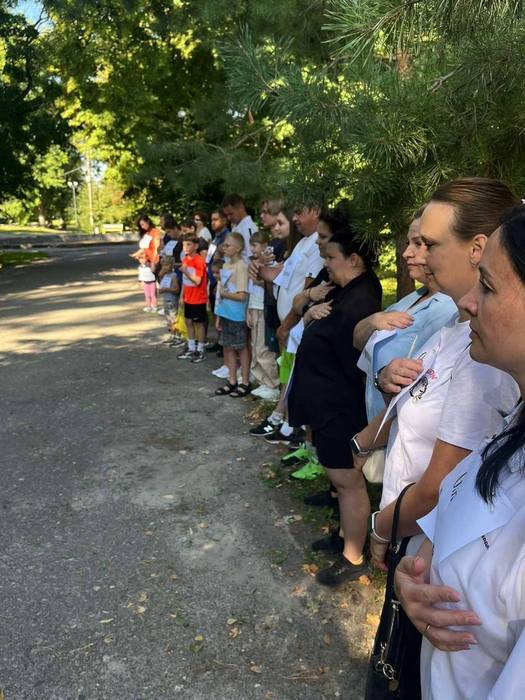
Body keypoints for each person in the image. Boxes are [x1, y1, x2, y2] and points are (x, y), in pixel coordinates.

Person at [351, 178, 519, 578]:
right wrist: (380, 397)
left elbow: (441, 485)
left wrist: (380, 528)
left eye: (429, 244)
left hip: (423, 547)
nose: (415, 255)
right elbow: (416, 397)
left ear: (477, 248)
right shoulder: (455, 328)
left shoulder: (485, 353)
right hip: (412, 534)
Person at [395, 206, 525, 699]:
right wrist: (420, 570)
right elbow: (467, 501)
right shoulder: (514, 423)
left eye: (487, 286)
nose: (469, 302)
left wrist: (381, 531)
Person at [287, 229, 383, 584]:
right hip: (327, 405)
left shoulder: (361, 299)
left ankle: (353, 557)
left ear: (354, 259)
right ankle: (345, 536)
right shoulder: (344, 289)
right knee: (341, 482)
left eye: (331, 257)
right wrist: (310, 312)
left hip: (341, 409)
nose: (325, 264)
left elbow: (354, 365)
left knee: (348, 482)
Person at [214, 233, 251, 397]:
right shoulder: (226, 265)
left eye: (228, 245)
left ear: (238, 248)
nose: (224, 247)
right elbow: (221, 292)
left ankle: (245, 382)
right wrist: (218, 314)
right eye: (224, 245)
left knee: (241, 348)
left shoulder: (242, 267)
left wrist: (225, 294)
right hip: (225, 312)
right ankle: (232, 380)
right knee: (228, 347)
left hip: (237, 314)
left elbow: (242, 295)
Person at [247, 230, 280, 401]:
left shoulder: (270, 262)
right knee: (255, 346)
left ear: (265, 246)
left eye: (255, 245)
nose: (252, 249)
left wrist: (259, 275)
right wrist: (248, 310)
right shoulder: (253, 263)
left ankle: (272, 384)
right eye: (251, 245)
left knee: (263, 348)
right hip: (254, 307)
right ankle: (261, 379)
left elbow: (267, 281)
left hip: (263, 308)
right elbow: (250, 288)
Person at [178, 234, 208, 363]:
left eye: (188, 244)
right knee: (188, 322)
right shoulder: (185, 259)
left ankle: (200, 349)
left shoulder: (198, 260)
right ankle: (191, 347)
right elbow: (185, 282)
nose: (185, 247)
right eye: (184, 244)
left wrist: (185, 271)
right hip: (188, 297)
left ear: (196, 246)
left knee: (199, 324)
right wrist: (181, 296)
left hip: (198, 298)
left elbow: (198, 281)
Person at [222, 193, 258, 260]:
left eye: (231, 214)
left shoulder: (248, 228)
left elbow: (253, 256)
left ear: (241, 208)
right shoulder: (237, 225)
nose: (229, 218)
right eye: (227, 215)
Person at [158, 256, 180, 331]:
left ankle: (176, 334)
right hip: (165, 299)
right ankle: (172, 332)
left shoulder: (173, 276)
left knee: (173, 317)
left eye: (166, 265)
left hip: (172, 300)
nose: (164, 267)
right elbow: (162, 285)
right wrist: (160, 276)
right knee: (168, 317)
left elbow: (176, 290)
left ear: (171, 265)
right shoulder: (165, 275)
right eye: (163, 265)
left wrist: (167, 289)